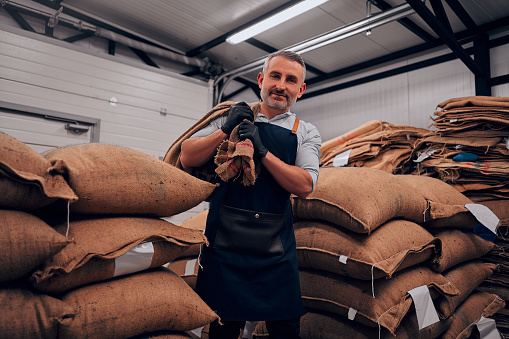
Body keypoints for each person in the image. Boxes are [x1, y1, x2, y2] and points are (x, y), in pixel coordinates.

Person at [180, 50, 321, 339]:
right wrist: (226, 129)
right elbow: (187, 156)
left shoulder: (304, 131)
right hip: (224, 246)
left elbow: (305, 185)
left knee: (285, 327)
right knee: (223, 329)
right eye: (275, 76)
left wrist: (263, 151)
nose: (281, 85)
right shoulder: (230, 117)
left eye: (291, 80)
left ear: (301, 90)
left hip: (275, 249)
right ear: (261, 79)